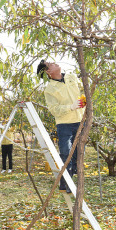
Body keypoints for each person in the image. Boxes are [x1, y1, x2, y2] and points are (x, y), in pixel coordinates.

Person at [37, 60, 86, 193]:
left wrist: (84, 101)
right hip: (65, 124)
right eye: (51, 64)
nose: (55, 63)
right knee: (66, 153)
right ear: (48, 72)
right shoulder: (49, 89)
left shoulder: (71, 77)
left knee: (79, 154)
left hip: (80, 121)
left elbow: (83, 89)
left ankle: (67, 181)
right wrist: (70, 107)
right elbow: (54, 109)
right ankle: (67, 184)